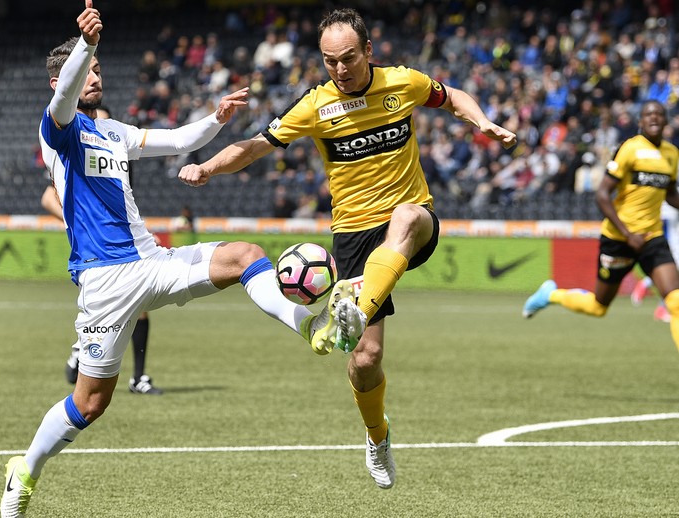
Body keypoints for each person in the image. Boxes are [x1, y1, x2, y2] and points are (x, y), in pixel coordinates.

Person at [1, 3, 347, 516]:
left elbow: (180, 141)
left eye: (97, 68)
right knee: (89, 404)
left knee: (247, 256)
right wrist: (86, 45)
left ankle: (313, 328)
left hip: (153, 261)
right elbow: (66, 93)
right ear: (62, 80)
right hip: (104, 282)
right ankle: (24, 471)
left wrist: (216, 118)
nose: (96, 75)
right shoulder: (59, 128)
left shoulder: (114, 132)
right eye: (88, 70)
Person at [178, 8, 516, 490]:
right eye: (330, 60)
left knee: (405, 216)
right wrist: (208, 166)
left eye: (349, 58)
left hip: (411, 217)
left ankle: (344, 312)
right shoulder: (314, 105)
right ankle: (377, 437)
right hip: (354, 236)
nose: (340, 68)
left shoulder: (404, 82)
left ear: (369, 51)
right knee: (365, 360)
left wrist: (483, 122)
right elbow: (255, 145)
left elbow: (451, 95)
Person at [523, 100, 679, 353]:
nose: (654, 118)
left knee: (676, 301)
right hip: (619, 237)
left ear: (665, 121)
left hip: (652, 237)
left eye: (659, 114)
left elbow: (670, 194)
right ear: (641, 121)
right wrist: (627, 234)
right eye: (648, 114)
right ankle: (550, 295)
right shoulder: (630, 149)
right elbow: (602, 195)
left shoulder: (672, 154)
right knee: (598, 307)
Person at [41, 106, 163, 394]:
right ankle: (83, 347)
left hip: (124, 249)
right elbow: (48, 195)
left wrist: (141, 236)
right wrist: (75, 220)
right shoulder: (73, 149)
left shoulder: (117, 152)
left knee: (139, 309)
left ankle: (138, 378)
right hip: (93, 250)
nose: (102, 128)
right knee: (120, 309)